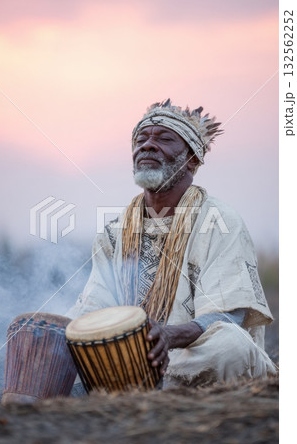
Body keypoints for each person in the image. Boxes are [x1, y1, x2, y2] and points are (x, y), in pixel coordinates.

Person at [67, 99, 276, 387]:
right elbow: (94, 309)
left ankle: (151, 388)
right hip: (130, 362)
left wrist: (168, 336)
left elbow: (231, 314)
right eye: (141, 139)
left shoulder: (219, 221)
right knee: (63, 338)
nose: (148, 145)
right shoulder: (113, 234)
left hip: (194, 356)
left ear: (192, 159)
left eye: (164, 139)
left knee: (231, 345)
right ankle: (137, 381)